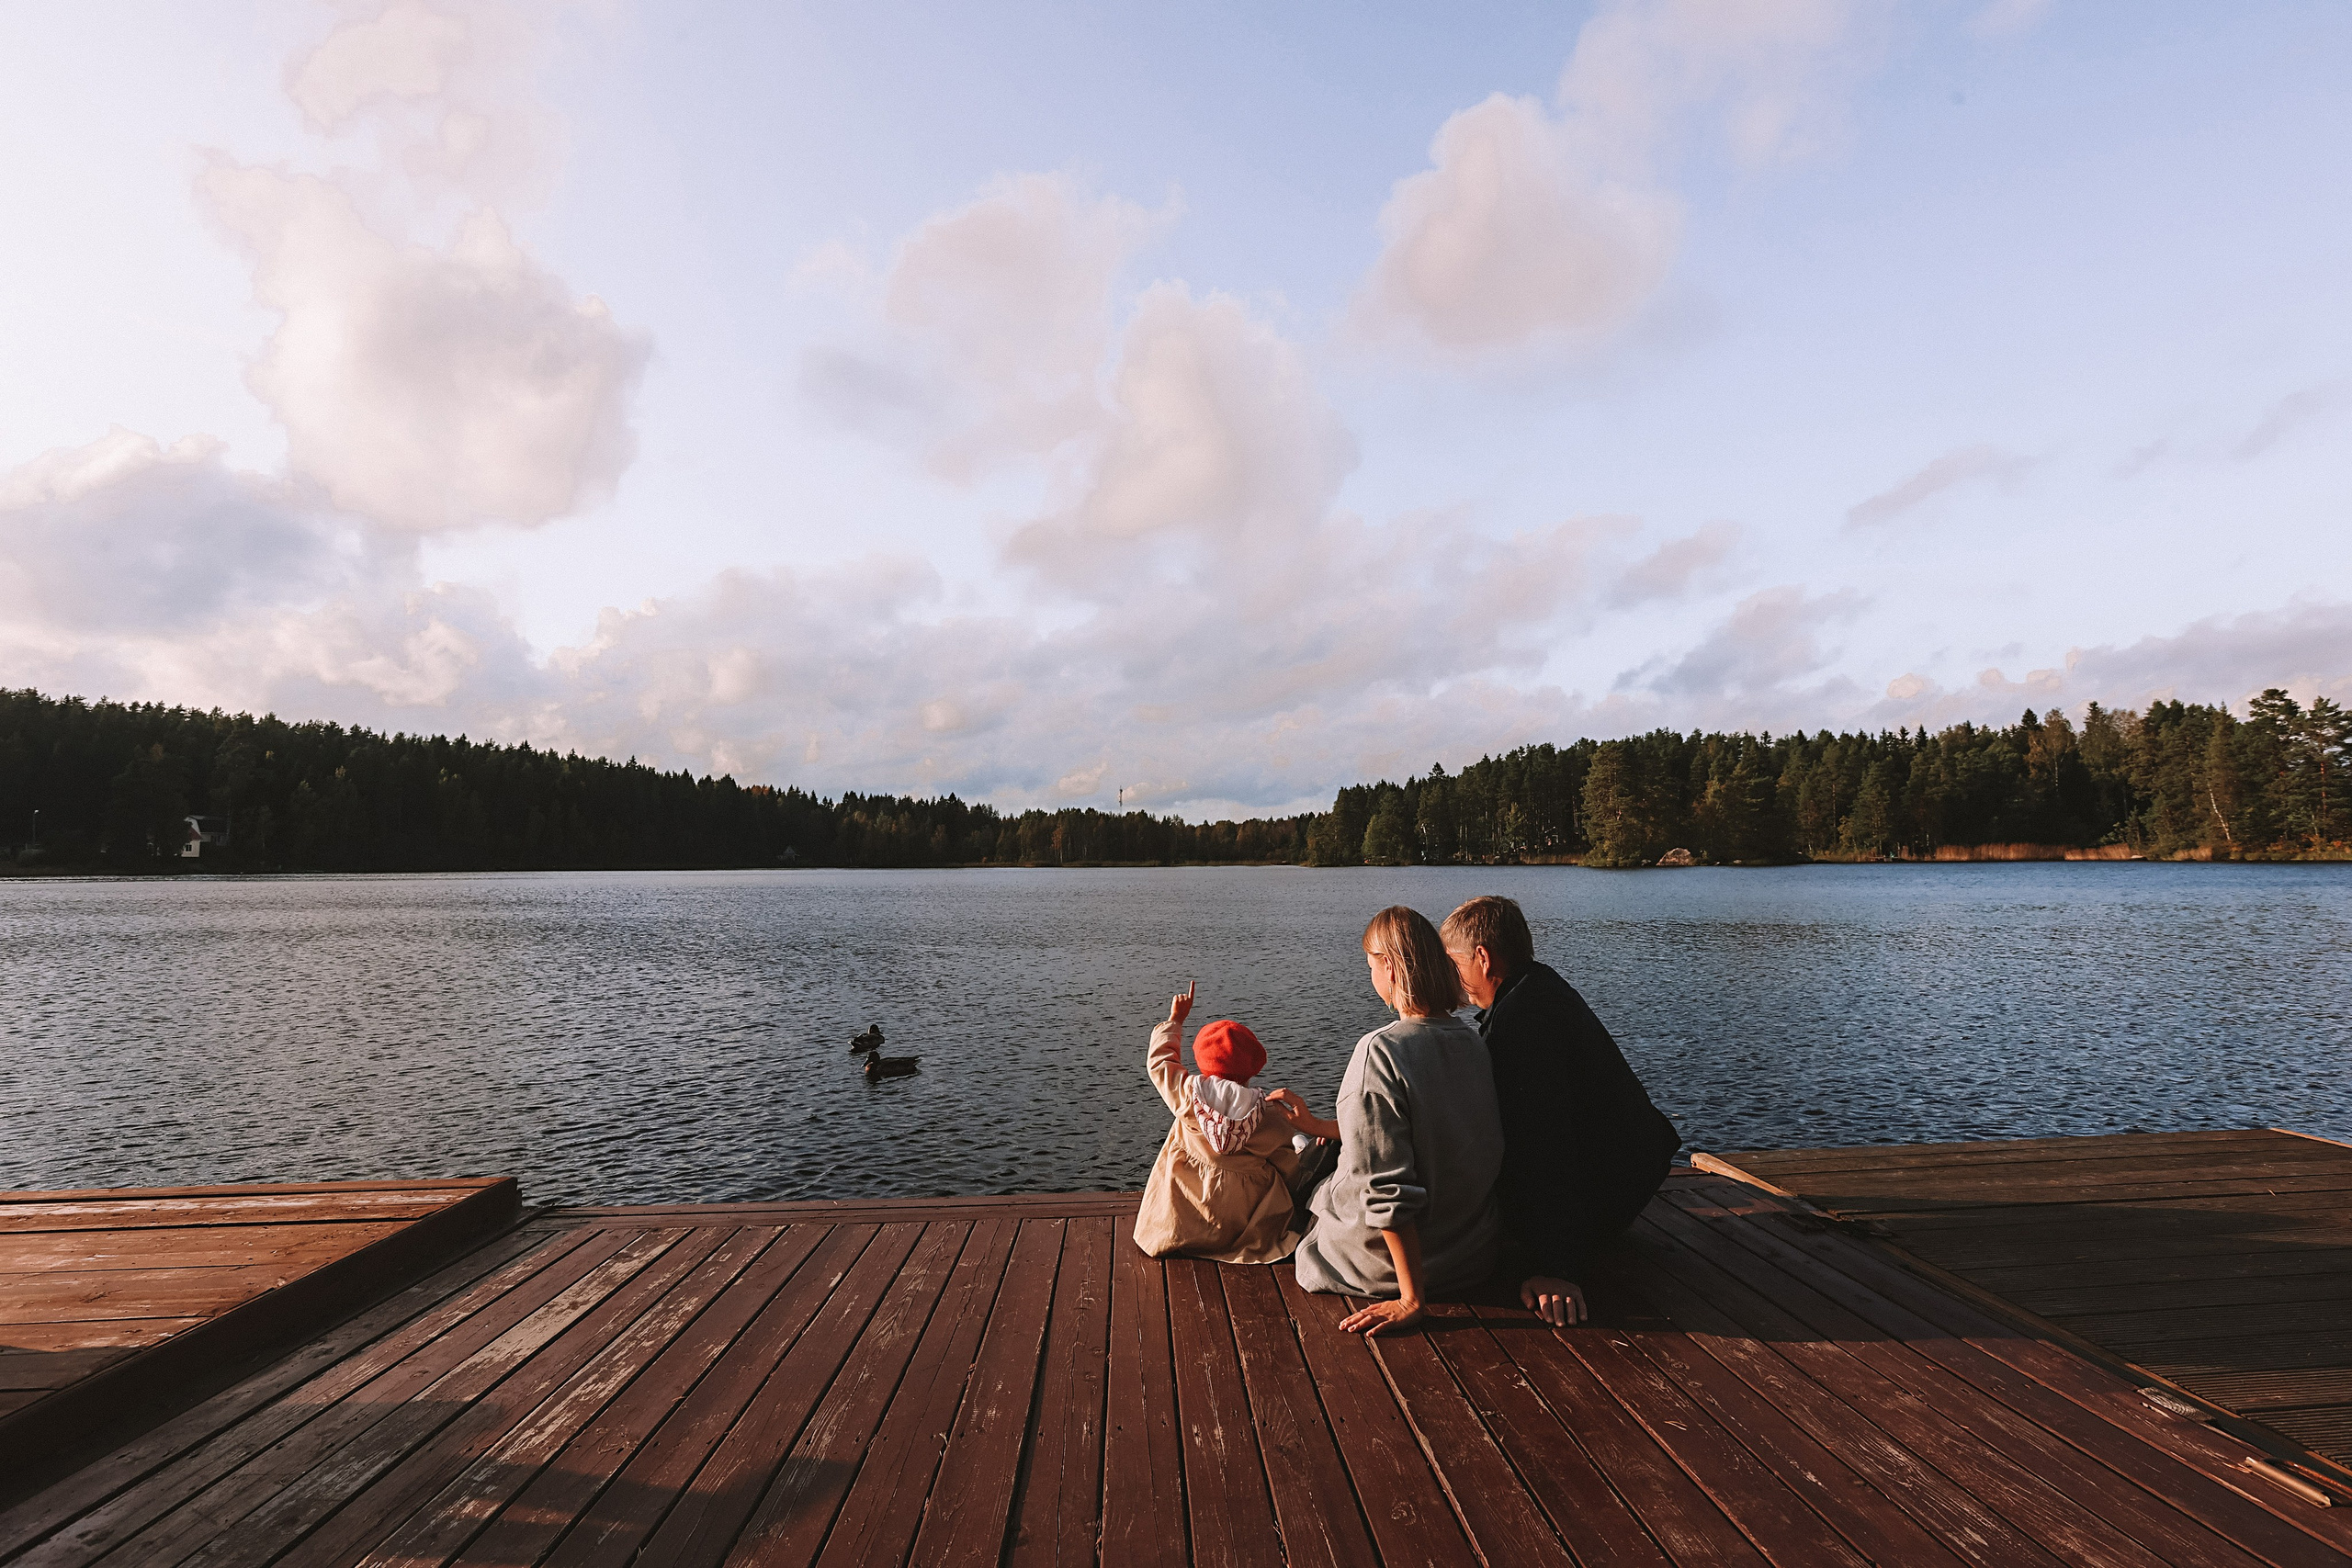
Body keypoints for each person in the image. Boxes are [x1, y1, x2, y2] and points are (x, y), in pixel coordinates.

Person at [1441, 895, 1680, 1328]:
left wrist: (1558, 1268)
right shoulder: (1537, 987)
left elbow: (1545, 1145)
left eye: (1454, 965)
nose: (1453, 979)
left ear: (1483, 957)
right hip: (1632, 1168)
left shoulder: (1521, 1025)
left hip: (1609, 1193)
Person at [1283, 906, 1505, 1336]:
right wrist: (1320, 1126)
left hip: (1384, 1269)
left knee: (1303, 1183)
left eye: (1371, 966)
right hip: (1468, 1256)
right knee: (1322, 1151)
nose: (1371, 978)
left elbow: (1387, 1189)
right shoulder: (1474, 1044)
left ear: (1391, 967)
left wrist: (1411, 1299)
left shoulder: (1380, 1053)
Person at [1133, 983, 1306, 1264]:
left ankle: (1177, 1234)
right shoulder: (1268, 1114)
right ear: (1253, 1067)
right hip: (1243, 1219)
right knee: (1285, 1157)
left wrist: (1175, 1019)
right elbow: (1286, 1164)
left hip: (1188, 1216)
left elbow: (1160, 1063)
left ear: (1203, 1061)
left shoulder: (1188, 1094)